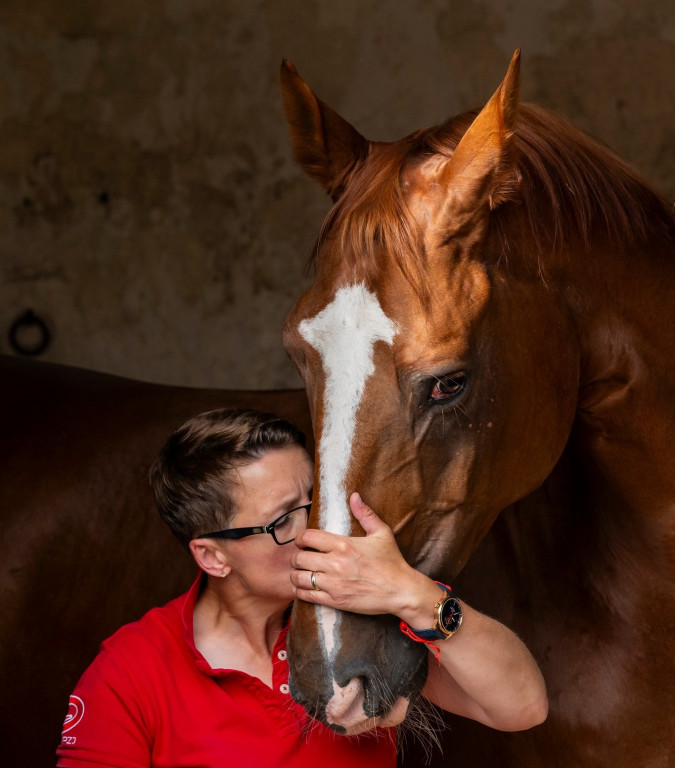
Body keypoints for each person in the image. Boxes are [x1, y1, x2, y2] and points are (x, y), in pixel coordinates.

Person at [56, 408, 547, 767]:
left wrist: (415, 595)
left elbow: (521, 706)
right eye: (286, 520)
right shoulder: (129, 673)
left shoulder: (366, 618)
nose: (321, 532)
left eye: (316, 503)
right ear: (213, 556)